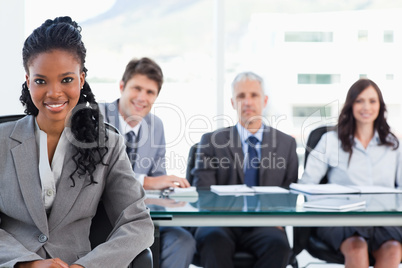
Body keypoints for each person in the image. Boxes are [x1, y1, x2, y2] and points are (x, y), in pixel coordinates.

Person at [0, 17, 154, 267]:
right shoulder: (2, 141)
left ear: (81, 80)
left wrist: (87, 265)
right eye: (41, 81)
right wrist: (27, 262)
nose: (54, 92)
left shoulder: (108, 145)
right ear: (28, 82)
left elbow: (138, 223)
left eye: (66, 80)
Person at [192, 71, 299, 268]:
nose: (247, 102)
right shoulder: (212, 142)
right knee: (213, 239)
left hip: (266, 224)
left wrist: (278, 218)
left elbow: (290, 193)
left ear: (264, 100)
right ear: (233, 102)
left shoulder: (286, 144)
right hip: (220, 223)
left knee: (279, 245)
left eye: (254, 95)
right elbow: (203, 193)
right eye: (241, 96)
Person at [99, 57, 196, 268]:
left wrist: (170, 193)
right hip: (102, 218)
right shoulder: (97, 116)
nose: (142, 98)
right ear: (122, 86)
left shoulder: (156, 126)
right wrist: (148, 182)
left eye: (150, 92)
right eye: (137, 88)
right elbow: (97, 176)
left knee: (184, 241)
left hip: (144, 218)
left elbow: (158, 176)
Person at [301, 78, 402, 268]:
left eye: (372, 101)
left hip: (383, 219)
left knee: (393, 249)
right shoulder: (331, 140)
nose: (366, 107)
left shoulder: (393, 145)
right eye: (359, 101)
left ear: (380, 106)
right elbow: (307, 185)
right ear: (350, 105)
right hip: (342, 219)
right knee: (356, 247)